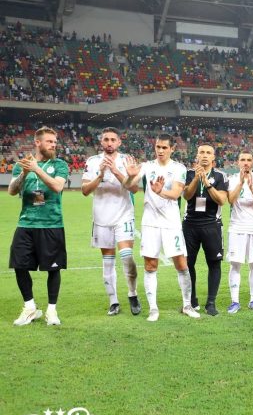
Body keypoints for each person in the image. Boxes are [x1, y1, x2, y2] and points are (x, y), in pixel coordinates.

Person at [123, 133, 199, 321]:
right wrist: (129, 177)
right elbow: (128, 186)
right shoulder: (147, 166)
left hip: (171, 223)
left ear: (172, 148)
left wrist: (160, 191)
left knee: (181, 264)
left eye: (164, 147)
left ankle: (187, 305)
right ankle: (153, 309)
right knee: (150, 265)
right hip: (150, 223)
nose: (160, 150)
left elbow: (175, 194)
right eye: (158, 147)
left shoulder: (178, 168)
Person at [9, 127, 69, 326]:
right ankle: (30, 307)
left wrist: (37, 169)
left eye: (54, 141)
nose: (54, 144)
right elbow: (11, 190)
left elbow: (57, 186)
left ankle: (52, 311)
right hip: (26, 222)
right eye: (49, 141)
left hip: (51, 223)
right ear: (37, 143)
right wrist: (24, 173)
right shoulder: (22, 165)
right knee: (19, 265)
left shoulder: (60, 164)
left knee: (53, 268)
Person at [81, 127, 140, 316]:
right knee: (108, 262)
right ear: (101, 142)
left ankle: (132, 294)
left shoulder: (127, 160)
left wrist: (115, 171)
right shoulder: (92, 162)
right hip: (101, 219)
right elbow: (84, 190)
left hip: (123, 216)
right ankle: (113, 301)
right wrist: (99, 175)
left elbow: (134, 189)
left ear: (119, 142)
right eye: (106, 139)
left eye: (113, 139)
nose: (109, 143)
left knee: (127, 256)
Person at [182, 144, 228, 316]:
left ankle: (211, 303)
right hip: (190, 225)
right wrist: (196, 178)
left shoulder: (220, 176)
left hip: (212, 225)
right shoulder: (187, 174)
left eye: (208, 153)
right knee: (188, 264)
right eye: (202, 152)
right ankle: (192, 300)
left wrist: (207, 183)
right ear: (197, 155)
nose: (205, 155)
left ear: (213, 158)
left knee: (214, 263)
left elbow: (221, 200)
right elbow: (186, 195)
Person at [227, 152, 253, 313]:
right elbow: (230, 200)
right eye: (242, 160)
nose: (245, 163)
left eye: (248, 160)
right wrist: (240, 183)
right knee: (235, 264)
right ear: (237, 162)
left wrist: (250, 186)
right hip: (237, 228)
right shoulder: (231, 180)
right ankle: (235, 301)